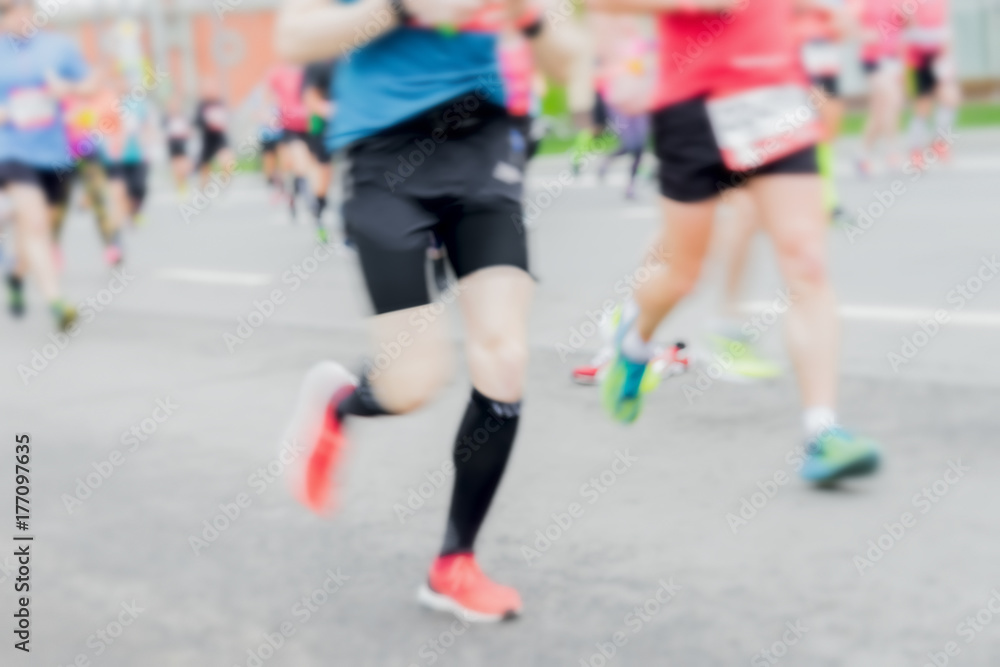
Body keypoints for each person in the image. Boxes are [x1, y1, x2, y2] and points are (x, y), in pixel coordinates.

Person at [275, 0, 578, 621]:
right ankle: (341, 404)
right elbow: (294, 37)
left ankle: (453, 565)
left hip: (483, 145)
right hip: (385, 156)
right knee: (412, 384)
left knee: (505, 356)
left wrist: (531, 17)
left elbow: (568, 60)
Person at [590, 0, 881, 484]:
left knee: (807, 262)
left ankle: (823, 432)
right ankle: (635, 343)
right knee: (684, 276)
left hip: (774, 97)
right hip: (693, 103)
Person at [0, 0, 96, 330]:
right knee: (36, 224)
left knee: (41, 228)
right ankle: (57, 302)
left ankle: (15, 273)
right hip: (11, 151)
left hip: (54, 154)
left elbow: (91, 84)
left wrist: (68, 88)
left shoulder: (59, 47)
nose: (19, 16)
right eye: (9, 11)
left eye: (25, 8)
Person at [904, 0, 959, 168]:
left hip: (938, 56)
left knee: (950, 98)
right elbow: (908, 29)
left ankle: (939, 142)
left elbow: (946, 26)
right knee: (923, 107)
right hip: (918, 58)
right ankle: (915, 151)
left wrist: (948, 57)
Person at [858, 0, 905, 175]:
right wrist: (865, 34)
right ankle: (892, 151)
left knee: (879, 112)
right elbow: (847, 26)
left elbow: (908, 24)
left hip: (893, 58)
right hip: (873, 59)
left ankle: (862, 155)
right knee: (893, 100)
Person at [267, 64, 311, 223]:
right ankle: (292, 194)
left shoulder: (309, 69)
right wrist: (269, 115)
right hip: (288, 127)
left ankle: (304, 196)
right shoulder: (277, 73)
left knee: (303, 165)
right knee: (289, 164)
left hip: (309, 125)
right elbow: (269, 96)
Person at [301, 58, 337, 242]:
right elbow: (310, 98)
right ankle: (319, 213)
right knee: (323, 174)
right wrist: (332, 112)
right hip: (320, 128)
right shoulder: (318, 62)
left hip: (349, 130)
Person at [194, 79, 235, 189]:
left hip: (220, 138)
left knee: (228, 161)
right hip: (207, 140)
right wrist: (207, 121)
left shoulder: (220, 103)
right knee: (205, 170)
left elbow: (227, 117)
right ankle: (204, 189)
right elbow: (196, 121)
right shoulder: (202, 105)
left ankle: (222, 182)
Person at [164, 97, 192, 194]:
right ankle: (180, 188)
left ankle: (183, 183)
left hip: (182, 144)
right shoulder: (166, 119)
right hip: (172, 145)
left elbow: (189, 131)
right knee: (176, 168)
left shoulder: (183, 117)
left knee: (184, 168)